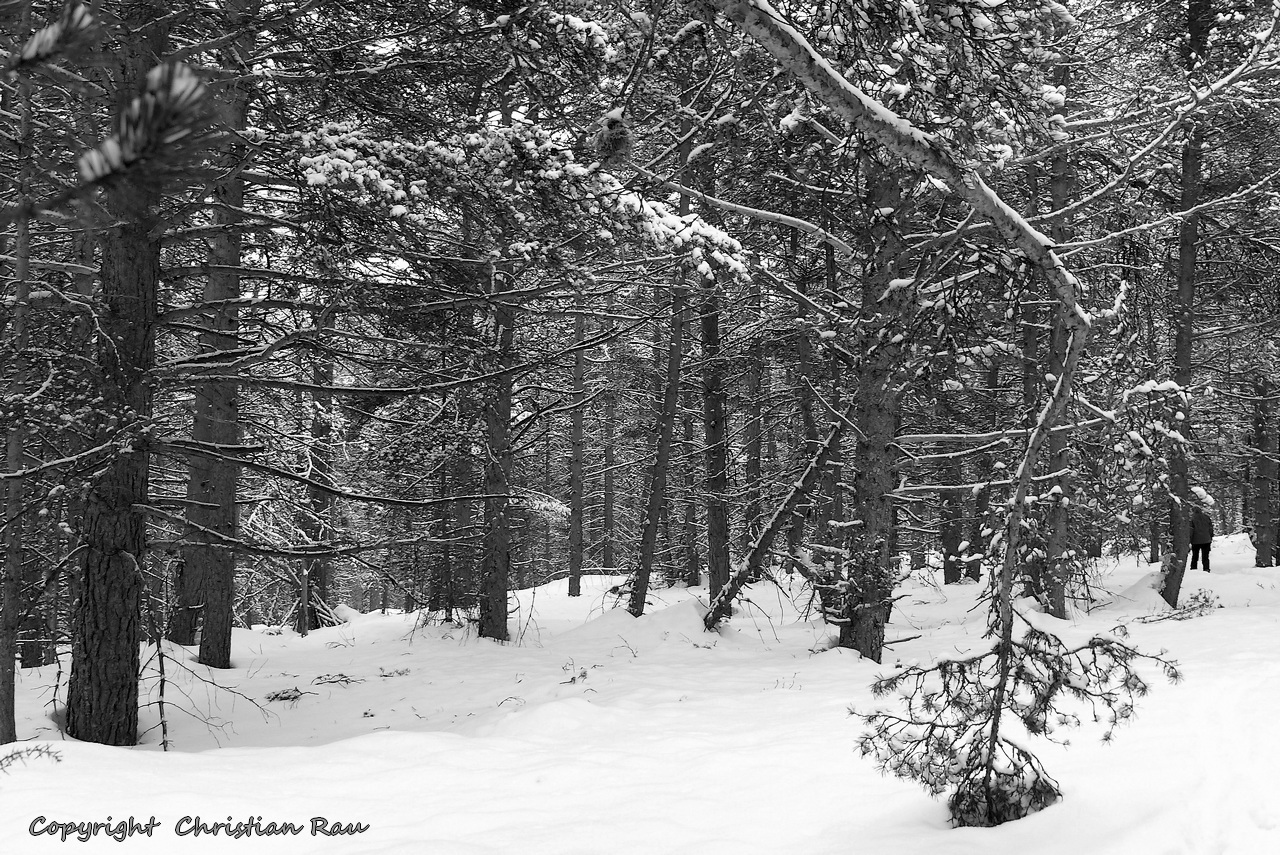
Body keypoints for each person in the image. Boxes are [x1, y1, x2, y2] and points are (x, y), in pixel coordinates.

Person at [1190, 507, 1214, 573]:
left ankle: (1193, 569)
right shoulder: (1206, 517)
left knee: (1195, 556)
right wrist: (1210, 536)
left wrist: (1189, 540)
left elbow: (1191, 530)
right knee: (1205, 557)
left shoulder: (1192, 519)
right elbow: (1210, 528)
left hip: (1195, 541)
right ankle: (1206, 569)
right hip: (1206, 540)